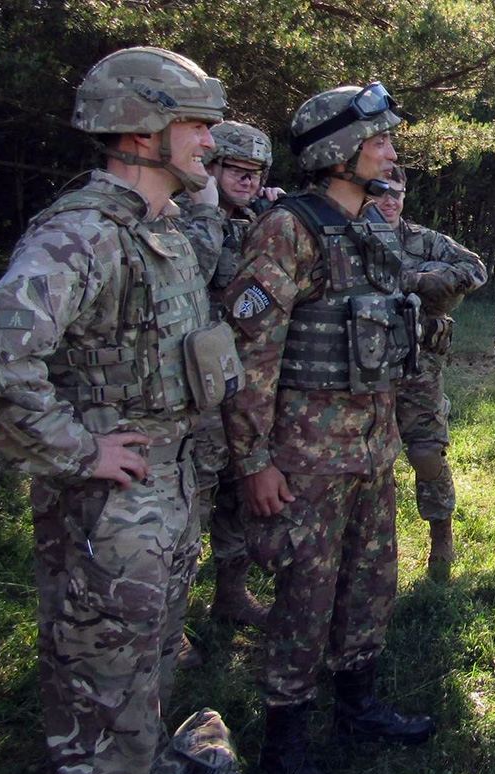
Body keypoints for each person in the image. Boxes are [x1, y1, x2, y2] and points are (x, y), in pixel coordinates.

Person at [0, 47, 228, 774]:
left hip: (166, 492)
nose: (210, 140)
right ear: (142, 129)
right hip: (110, 514)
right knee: (102, 689)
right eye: (196, 124)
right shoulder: (84, 232)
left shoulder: (157, 224)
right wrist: (78, 450)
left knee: (149, 661)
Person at [219, 82, 434, 774]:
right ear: (340, 152)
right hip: (306, 460)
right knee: (304, 600)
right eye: (380, 141)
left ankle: (357, 706)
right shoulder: (288, 230)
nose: (392, 153)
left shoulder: (370, 226)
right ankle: (283, 750)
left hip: (371, 450)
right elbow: (250, 356)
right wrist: (254, 461)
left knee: (369, 584)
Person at [179, 120, 279, 645]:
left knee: (240, 498)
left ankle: (231, 594)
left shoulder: (255, 220)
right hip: (194, 392)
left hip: (244, 388)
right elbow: (187, 280)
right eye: (236, 170)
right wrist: (207, 212)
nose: (246, 181)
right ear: (211, 168)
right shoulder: (179, 218)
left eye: (255, 173)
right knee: (188, 506)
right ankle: (169, 625)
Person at [374, 165, 487, 579]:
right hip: (364, 368)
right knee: (372, 461)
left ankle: (442, 532)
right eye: (381, 192)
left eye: (397, 193)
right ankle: (375, 543)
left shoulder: (423, 240)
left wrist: (426, 279)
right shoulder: (351, 236)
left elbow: (476, 269)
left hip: (418, 366)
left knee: (425, 453)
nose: (389, 201)